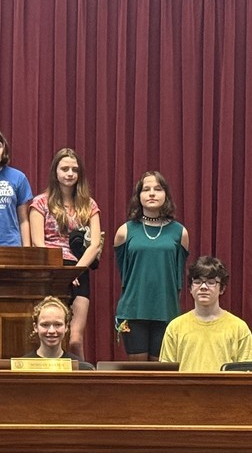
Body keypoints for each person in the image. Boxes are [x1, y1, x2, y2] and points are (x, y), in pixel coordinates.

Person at [29, 148, 102, 360]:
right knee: (47, 334)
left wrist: (77, 272)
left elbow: (95, 244)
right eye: (65, 169)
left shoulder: (89, 204)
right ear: (55, 172)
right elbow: (38, 242)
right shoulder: (40, 203)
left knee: (75, 339)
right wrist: (60, 273)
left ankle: (84, 383)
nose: (69, 173)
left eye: (74, 170)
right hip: (52, 269)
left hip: (79, 269)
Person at [114, 170, 190, 361]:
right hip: (134, 310)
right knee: (138, 374)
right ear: (138, 196)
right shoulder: (124, 231)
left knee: (161, 373)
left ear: (166, 195)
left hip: (166, 310)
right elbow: (124, 272)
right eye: (146, 189)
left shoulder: (180, 232)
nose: (152, 193)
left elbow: (178, 275)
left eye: (158, 189)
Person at [158, 256, 252, 372]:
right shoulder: (175, 327)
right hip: (185, 390)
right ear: (190, 288)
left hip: (225, 390)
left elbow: (249, 374)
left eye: (211, 282)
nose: (203, 287)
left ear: (222, 289)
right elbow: (166, 374)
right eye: (197, 282)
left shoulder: (239, 328)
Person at [23, 296, 80, 360]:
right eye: (45, 325)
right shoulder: (22, 366)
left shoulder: (79, 367)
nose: (51, 331)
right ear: (35, 327)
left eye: (58, 324)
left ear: (66, 327)